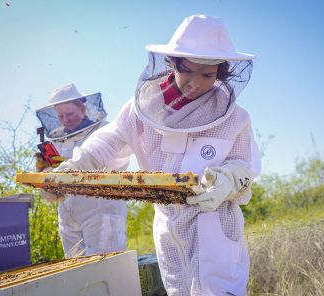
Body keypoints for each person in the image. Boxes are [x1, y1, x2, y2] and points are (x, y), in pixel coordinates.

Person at [52, 15, 260, 295]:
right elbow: (109, 142)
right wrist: (73, 167)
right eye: (187, 70)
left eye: (207, 74)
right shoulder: (141, 108)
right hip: (169, 225)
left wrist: (227, 181)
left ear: (221, 73)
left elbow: (244, 167)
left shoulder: (235, 118)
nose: (195, 83)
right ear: (171, 63)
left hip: (215, 225)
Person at [35, 83, 129, 257]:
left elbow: (108, 163)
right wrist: (45, 173)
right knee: (75, 271)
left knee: (105, 268)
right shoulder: (58, 140)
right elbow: (53, 172)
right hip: (67, 213)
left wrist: (68, 171)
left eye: (69, 114)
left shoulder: (104, 131)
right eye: (61, 116)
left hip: (101, 208)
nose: (66, 119)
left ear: (83, 107)